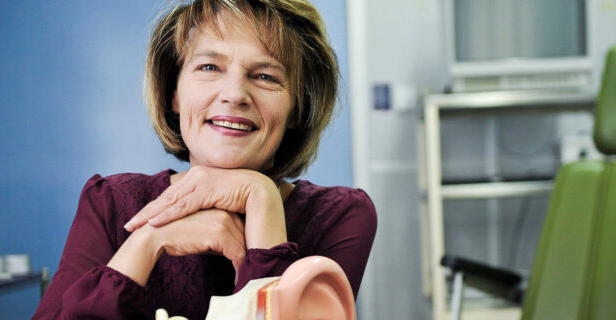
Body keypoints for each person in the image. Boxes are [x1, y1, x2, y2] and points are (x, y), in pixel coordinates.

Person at [32, 1, 377, 318]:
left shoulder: (340, 216)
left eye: (265, 76)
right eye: (210, 66)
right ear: (174, 94)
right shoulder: (110, 203)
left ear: (296, 109)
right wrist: (146, 241)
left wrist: (260, 197)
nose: (234, 95)